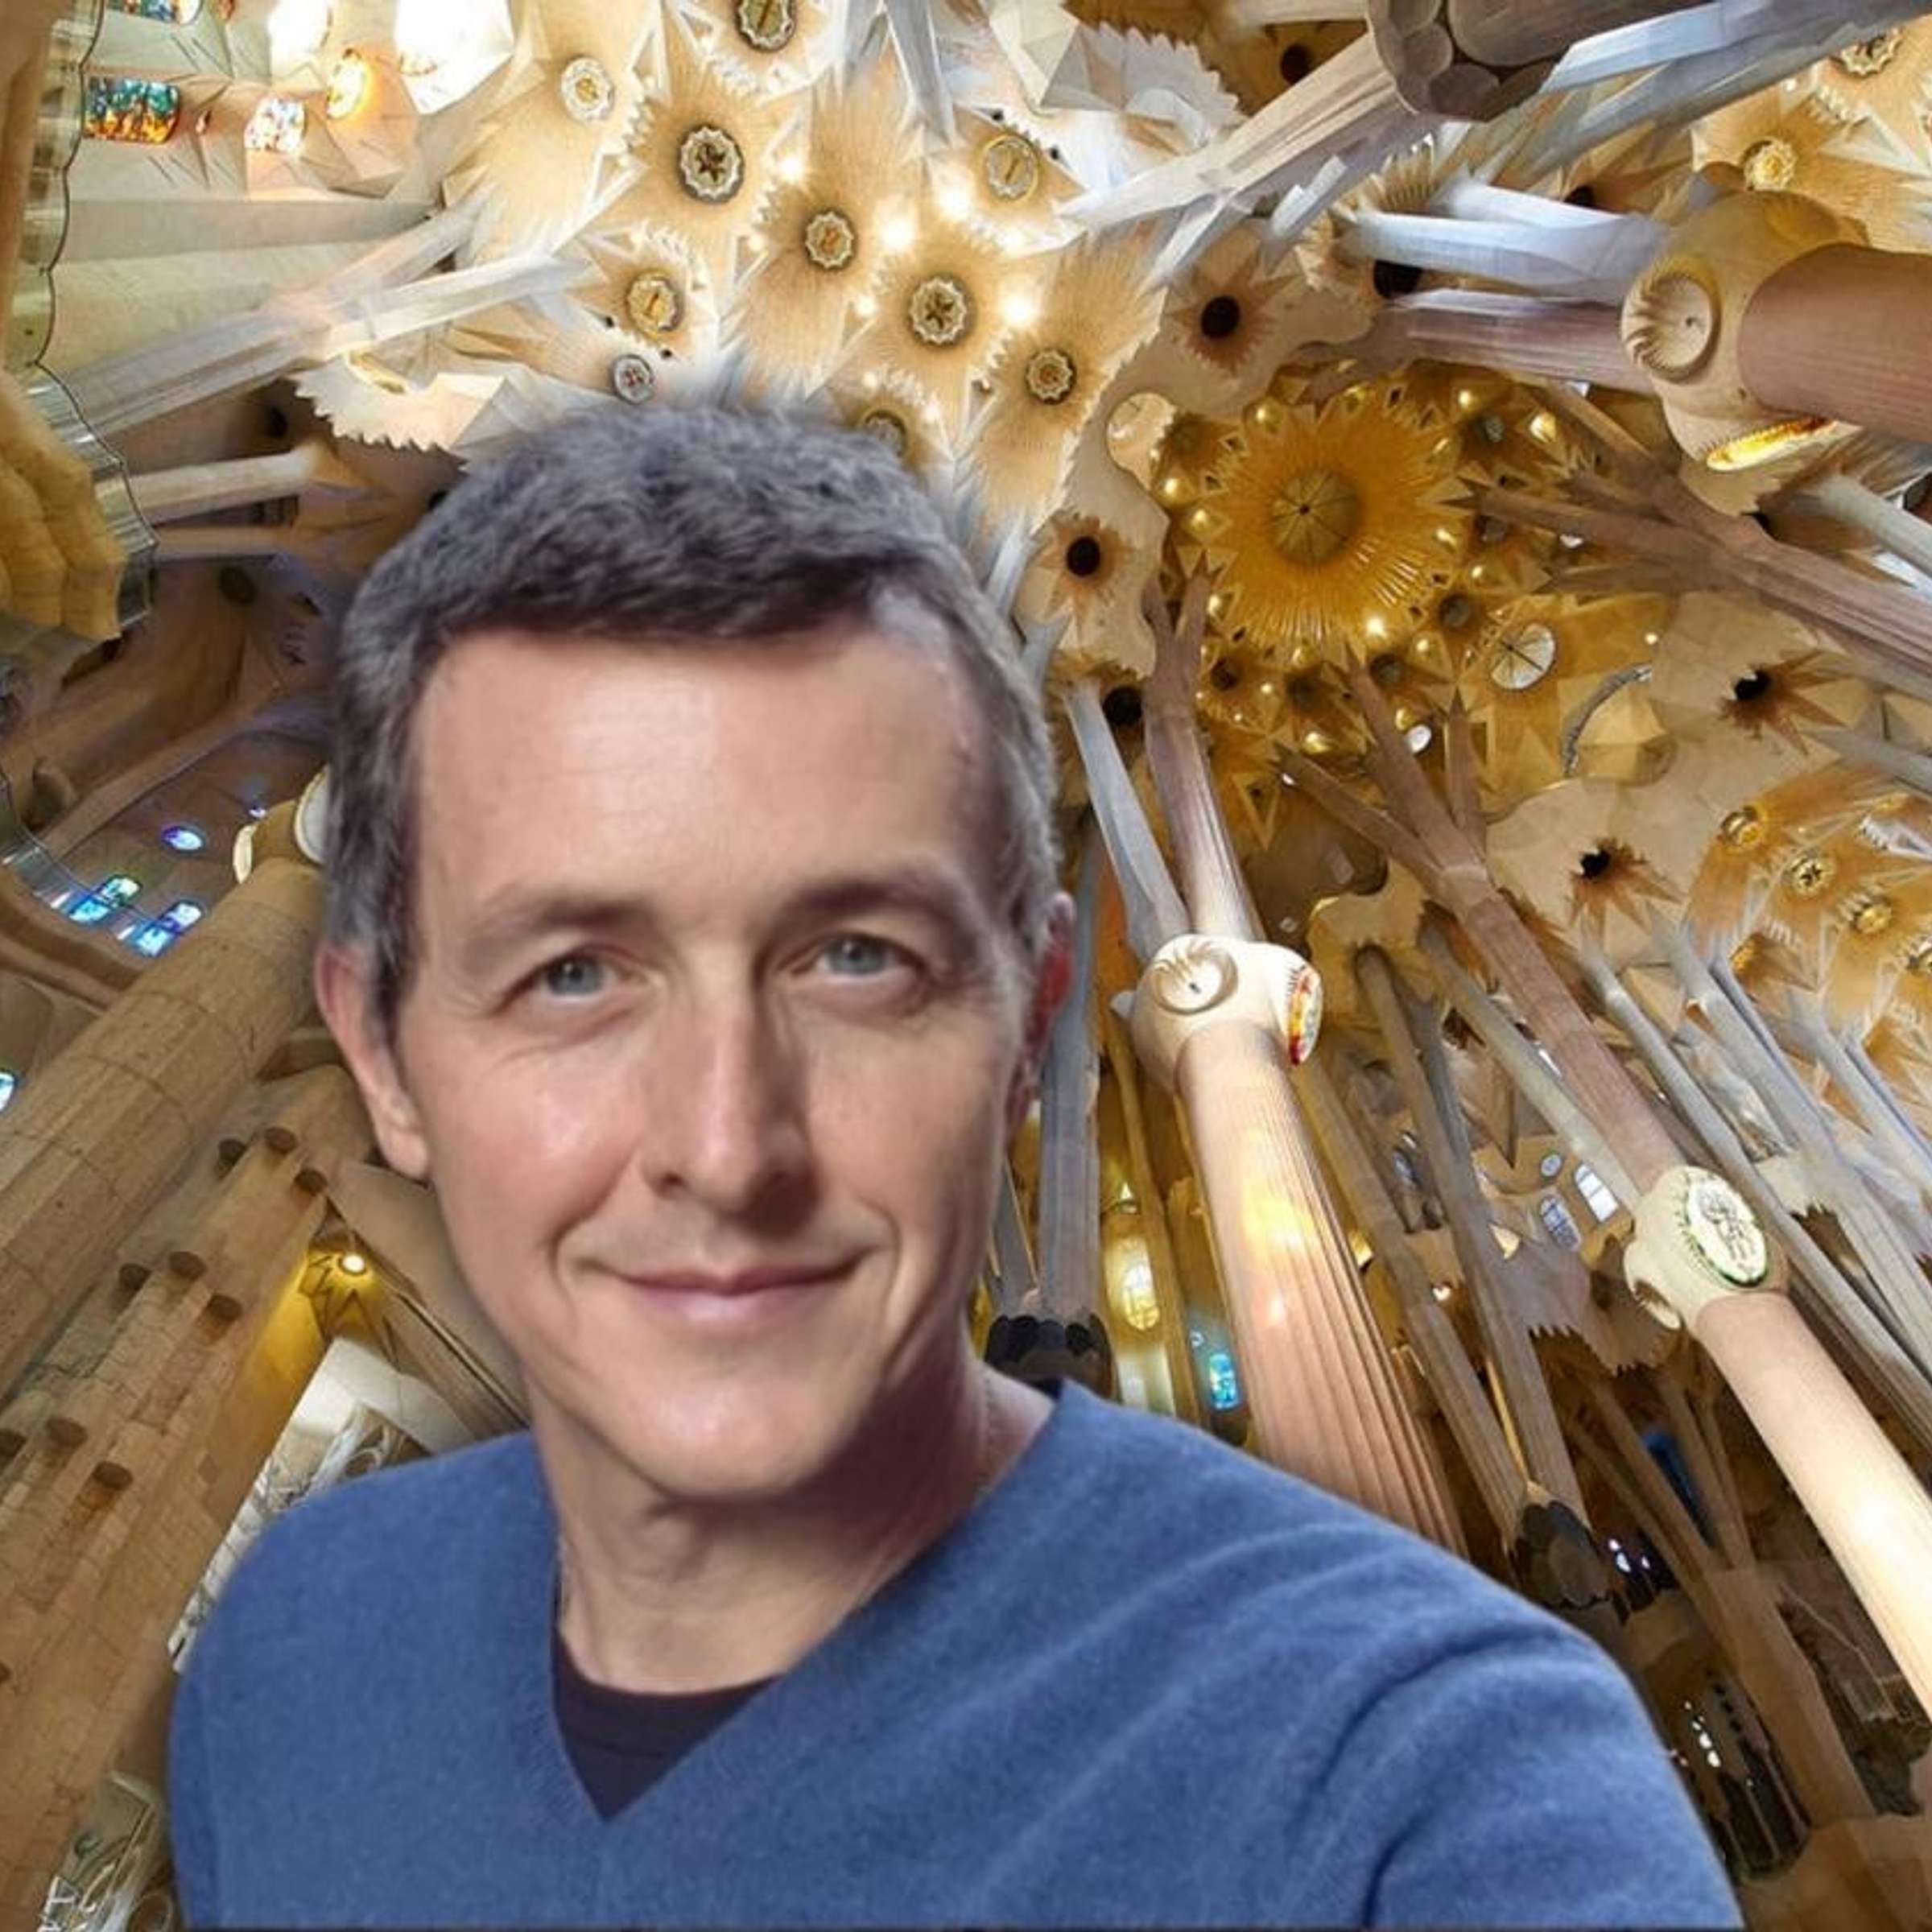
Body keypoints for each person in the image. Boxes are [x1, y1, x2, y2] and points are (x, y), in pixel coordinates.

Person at [167, 403, 1741, 1930]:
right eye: (571, 973)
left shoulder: (1427, 1775)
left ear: (1028, 1024)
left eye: (857, 958)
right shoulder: (292, 1656)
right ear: (384, 1054)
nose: (726, 1146)